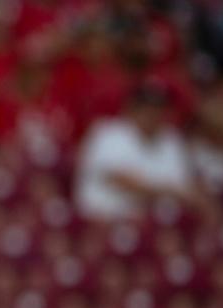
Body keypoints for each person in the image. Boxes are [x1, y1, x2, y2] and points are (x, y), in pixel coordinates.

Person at [75, 81, 212, 220]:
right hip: (107, 221)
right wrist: (170, 191)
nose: (153, 114)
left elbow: (185, 183)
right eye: (147, 108)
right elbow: (120, 180)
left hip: (159, 224)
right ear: (131, 108)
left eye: (159, 108)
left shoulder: (171, 139)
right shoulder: (107, 132)